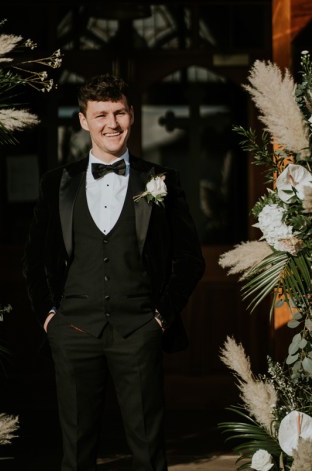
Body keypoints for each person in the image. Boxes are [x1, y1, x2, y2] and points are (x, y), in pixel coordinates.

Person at [22, 74, 205, 471]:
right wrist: (48, 318)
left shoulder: (162, 181)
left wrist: (160, 318)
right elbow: (35, 259)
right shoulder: (57, 183)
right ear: (84, 121)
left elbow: (190, 259)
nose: (112, 123)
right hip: (72, 332)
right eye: (101, 114)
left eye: (119, 112)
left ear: (132, 116)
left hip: (138, 330)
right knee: (76, 451)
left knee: (148, 449)